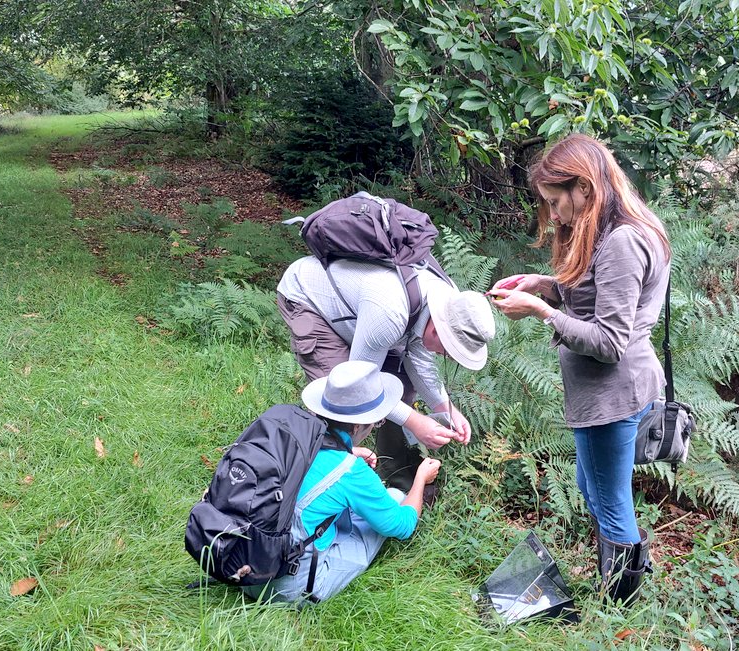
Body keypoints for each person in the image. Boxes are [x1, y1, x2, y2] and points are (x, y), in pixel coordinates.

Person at [488, 133, 670, 605]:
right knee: (594, 488)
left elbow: (610, 342)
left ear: (584, 188)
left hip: (613, 395)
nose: (551, 216)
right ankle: (619, 583)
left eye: (554, 201)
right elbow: (597, 300)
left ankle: (618, 607)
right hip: (604, 394)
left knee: (609, 504)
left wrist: (541, 312)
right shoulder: (611, 230)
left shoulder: (623, 242)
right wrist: (546, 286)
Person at [277, 248, 495, 492]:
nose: (445, 356)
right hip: (310, 299)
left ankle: (395, 478)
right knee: (343, 403)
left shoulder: (447, 301)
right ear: (438, 331)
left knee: (400, 382)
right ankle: (316, 487)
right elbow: (358, 385)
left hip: (360, 310)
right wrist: (414, 422)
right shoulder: (390, 313)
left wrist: (445, 408)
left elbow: (418, 359)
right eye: (449, 351)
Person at [242, 360, 442, 605]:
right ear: (358, 425)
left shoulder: (294, 437)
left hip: (242, 562)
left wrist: (350, 452)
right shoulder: (350, 471)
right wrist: (421, 479)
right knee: (396, 499)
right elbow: (402, 526)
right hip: (285, 585)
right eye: (376, 422)